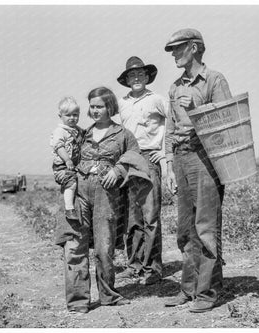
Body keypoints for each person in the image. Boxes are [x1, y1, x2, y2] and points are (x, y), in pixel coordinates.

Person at [54, 87, 152, 313]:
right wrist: (60, 172)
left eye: (100, 106)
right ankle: (78, 301)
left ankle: (108, 295)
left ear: (110, 107)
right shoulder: (81, 134)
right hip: (79, 191)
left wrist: (117, 171)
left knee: (104, 246)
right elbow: (62, 156)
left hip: (107, 196)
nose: (95, 111)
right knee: (75, 244)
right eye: (92, 106)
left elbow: (134, 157)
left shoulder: (123, 134)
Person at [163, 28, 233, 313]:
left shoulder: (215, 80)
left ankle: (207, 292)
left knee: (205, 227)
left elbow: (226, 126)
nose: (174, 55)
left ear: (194, 48)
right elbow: (169, 129)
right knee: (185, 230)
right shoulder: (175, 86)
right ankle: (189, 288)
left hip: (206, 158)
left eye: (178, 49)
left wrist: (196, 110)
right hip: (181, 159)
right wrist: (168, 164)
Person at [116, 56, 167, 285]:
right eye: (131, 75)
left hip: (149, 157)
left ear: (147, 77)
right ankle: (134, 265)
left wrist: (165, 152)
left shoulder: (157, 99)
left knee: (151, 216)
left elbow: (174, 122)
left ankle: (153, 269)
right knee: (132, 217)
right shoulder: (121, 103)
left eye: (140, 74)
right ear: (127, 80)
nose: (136, 78)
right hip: (128, 159)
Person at [50, 96, 84, 220]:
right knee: (71, 183)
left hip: (73, 165)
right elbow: (59, 147)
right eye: (68, 115)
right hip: (62, 165)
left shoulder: (77, 130)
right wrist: (67, 159)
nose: (72, 118)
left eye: (75, 115)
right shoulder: (60, 131)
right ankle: (69, 209)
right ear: (61, 116)